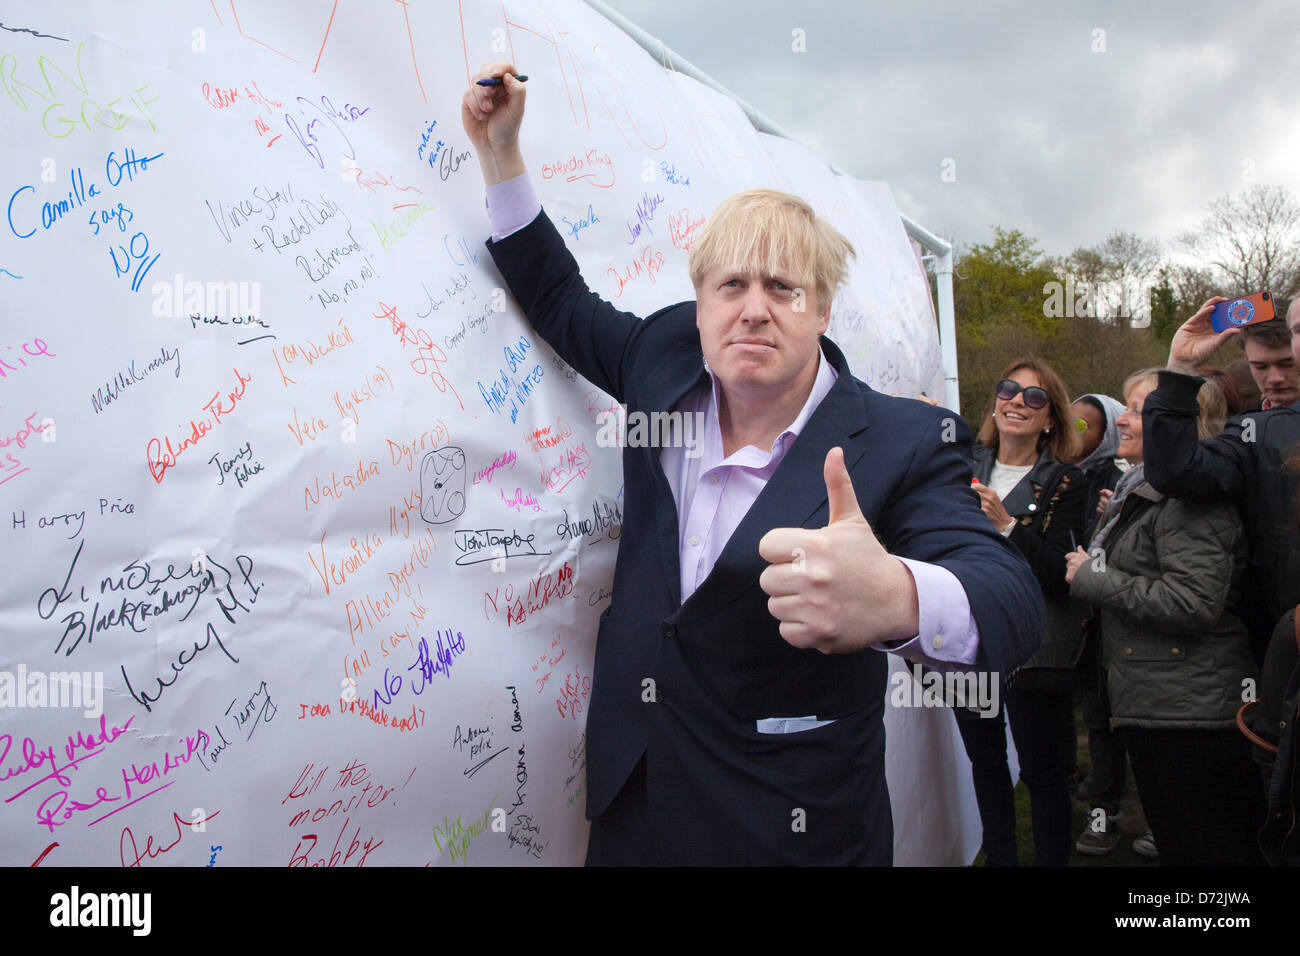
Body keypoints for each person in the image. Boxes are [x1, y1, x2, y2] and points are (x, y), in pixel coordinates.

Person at [462, 64, 1044, 865]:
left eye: (784, 287)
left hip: (792, 826)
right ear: (701, 305)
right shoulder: (660, 363)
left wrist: (899, 597)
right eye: (731, 284)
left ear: (823, 309)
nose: (755, 307)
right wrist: (501, 154)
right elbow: (561, 301)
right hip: (636, 801)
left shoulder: (905, 440)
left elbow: (1012, 601)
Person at [1066, 368, 1264, 865]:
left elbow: (1193, 602)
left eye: (1138, 411)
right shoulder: (1144, 489)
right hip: (1160, 702)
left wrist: (1092, 578)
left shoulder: (1191, 500)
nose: (1124, 421)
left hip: (1193, 712)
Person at [954, 360, 1085, 866]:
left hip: (1037, 645)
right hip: (971, 640)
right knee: (985, 762)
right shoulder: (962, 464)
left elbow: (1060, 575)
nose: (1016, 402)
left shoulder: (1066, 480)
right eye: (1009, 389)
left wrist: (1007, 526)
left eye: (1034, 398)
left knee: (1044, 772)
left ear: (1050, 418)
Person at [1143, 297, 1300, 662]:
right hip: (1278, 647)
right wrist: (1180, 370)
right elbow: (1176, 471)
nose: (1274, 379)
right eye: (1260, 366)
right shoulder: (1252, 434)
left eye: (1286, 365)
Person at [1063, 392, 1129, 854]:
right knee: (1081, 713)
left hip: (1107, 622)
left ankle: (1105, 814)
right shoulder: (1066, 476)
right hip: (1073, 619)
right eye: (1071, 423)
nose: (1074, 432)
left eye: (1085, 427)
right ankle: (1079, 784)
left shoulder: (1118, 480)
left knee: (1104, 721)